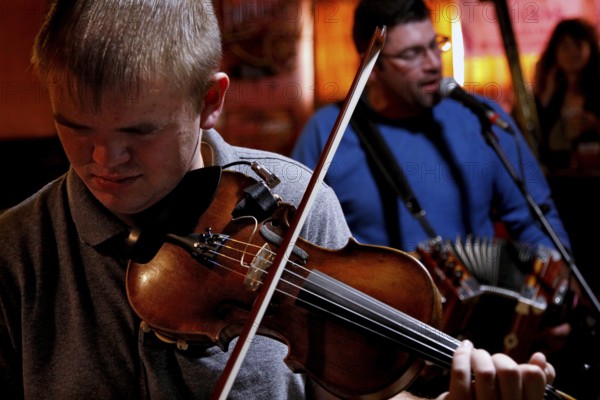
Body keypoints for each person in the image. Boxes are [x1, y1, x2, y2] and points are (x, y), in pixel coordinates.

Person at [0, 1, 556, 399]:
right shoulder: (16, 250)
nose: (103, 159)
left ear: (210, 101)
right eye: (74, 128)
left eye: (138, 133)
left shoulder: (294, 202)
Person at [292, 0, 570, 257]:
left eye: (435, 45)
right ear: (372, 65)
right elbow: (299, 243)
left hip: (474, 307)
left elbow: (536, 222)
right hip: (368, 308)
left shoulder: (480, 117)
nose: (434, 64)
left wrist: (553, 276)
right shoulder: (327, 131)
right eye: (412, 54)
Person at [534, 18, 600, 173]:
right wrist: (546, 96)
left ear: (590, 47)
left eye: (578, 45)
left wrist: (596, 126)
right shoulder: (548, 89)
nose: (572, 53)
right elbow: (531, 134)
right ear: (555, 52)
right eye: (565, 47)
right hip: (559, 178)